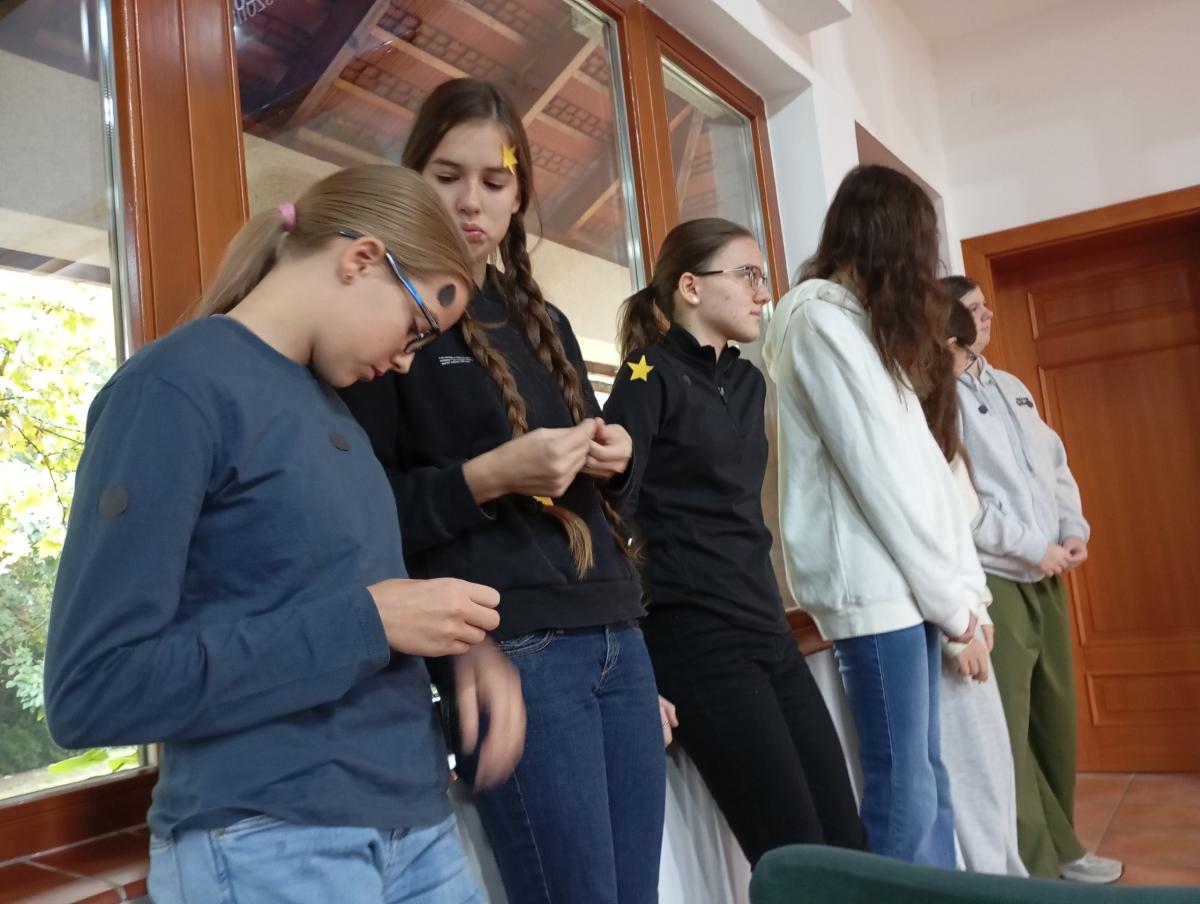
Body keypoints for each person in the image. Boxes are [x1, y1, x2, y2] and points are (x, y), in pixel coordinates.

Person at [42, 164, 527, 903]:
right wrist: (371, 623)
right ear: (361, 259)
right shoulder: (172, 390)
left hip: (416, 826)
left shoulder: (336, 414)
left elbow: (334, 607)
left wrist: (456, 652)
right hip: (270, 836)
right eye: (415, 330)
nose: (406, 362)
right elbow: (94, 689)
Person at [340, 79, 665, 904]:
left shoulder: (547, 322)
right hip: (511, 644)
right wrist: (491, 476)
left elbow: (607, 499)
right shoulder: (386, 316)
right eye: (447, 176)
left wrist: (614, 458)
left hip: (616, 633)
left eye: (493, 181)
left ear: (520, 195)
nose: (471, 202)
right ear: (414, 179)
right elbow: (366, 516)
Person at [601, 217, 867, 867]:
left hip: (766, 626)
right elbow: (608, 517)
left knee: (848, 840)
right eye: (747, 275)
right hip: (697, 637)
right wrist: (633, 662)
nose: (762, 293)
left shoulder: (748, 382)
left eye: (762, 278)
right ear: (691, 287)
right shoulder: (647, 374)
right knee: (796, 857)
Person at [761, 164, 984, 868]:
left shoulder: (860, 327)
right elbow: (884, 480)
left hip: (908, 588)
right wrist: (955, 606)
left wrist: (963, 596)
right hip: (873, 590)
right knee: (904, 788)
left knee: (927, 779)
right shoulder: (817, 320)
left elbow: (924, 474)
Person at [943, 275, 1123, 884]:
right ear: (947, 323)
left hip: (1049, 574)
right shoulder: (938, 397)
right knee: (1010, 729)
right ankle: (1039, 866)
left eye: (985, 305)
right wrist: (1030, 547)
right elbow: (964, 505)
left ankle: (1064, 844)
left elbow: (1055, 464)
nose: (986, 315)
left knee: (1055, 716)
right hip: (999, 580)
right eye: (972, 309)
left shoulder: (1013, 386)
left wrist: (1073, 529)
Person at [924, 299, 1026, 877]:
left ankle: (1008, 876)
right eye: (958, 357)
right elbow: (930, 538)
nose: (964, 370)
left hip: (969, 617)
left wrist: (979, 611)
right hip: (947, 629)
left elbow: (960, 531)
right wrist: (958, 629)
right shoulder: (913, 426)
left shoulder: (942, 432)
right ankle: (993, 882)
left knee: (994, 770)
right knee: (969, 784)